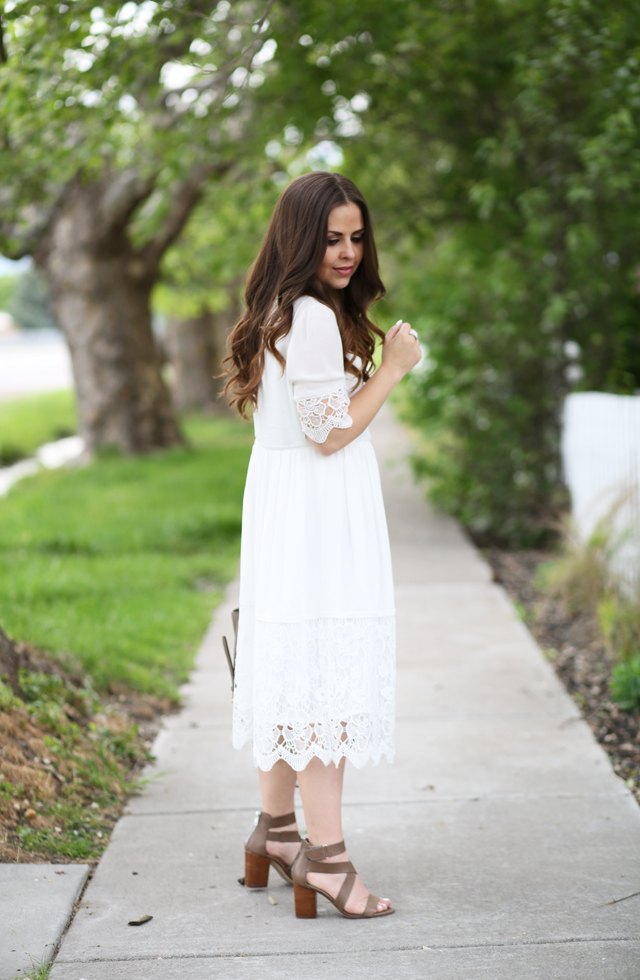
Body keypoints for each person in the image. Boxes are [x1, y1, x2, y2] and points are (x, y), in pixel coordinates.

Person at [223, 171, 421, 920]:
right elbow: (329, 432)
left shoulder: (285, 310)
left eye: (356, 237)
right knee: (323, 692)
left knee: (291, 674)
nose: (347, 251)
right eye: (333, 237)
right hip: (315, 513)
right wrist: (394, 370)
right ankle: (327, 862)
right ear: (302, 238)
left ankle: (276, 832)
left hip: (290, 507)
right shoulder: (307, 317)